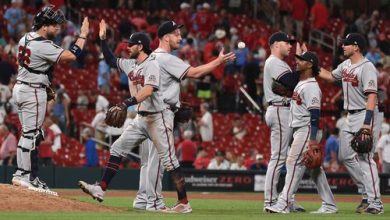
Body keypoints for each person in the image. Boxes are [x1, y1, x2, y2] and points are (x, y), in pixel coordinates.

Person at [78, 22, 174, 211]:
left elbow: (147, 91)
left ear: (140, 46)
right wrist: (103, 39)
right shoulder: (130, 64)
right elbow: (109, 60)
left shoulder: (152, 64)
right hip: (141, 118)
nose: (127, 47)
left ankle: (160, 203)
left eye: (130, 44)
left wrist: (125, 103)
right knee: (117, 147)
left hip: (157, 118)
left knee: (160, 163)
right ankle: (101, 188)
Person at [148, 20, 235, 212]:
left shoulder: (151, 57)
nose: (180, 37)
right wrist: (219, 61)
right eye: (176, 34)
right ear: (165, 37)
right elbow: (195, 73)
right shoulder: (165, 58)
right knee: (167, 160)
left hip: (152, 112)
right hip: (162, 113)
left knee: (152, 159)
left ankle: (149, 201)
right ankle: (177, 202)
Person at [11, 5, 89, 194]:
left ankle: (25, 175)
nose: (58, 29)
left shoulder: (24, 38)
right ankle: (24, 175)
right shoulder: (42, 43)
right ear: (44, 26)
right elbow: (71, 55)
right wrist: (84, 34)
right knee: (32, 134)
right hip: (32, 91)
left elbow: (23, 63)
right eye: (55, 25)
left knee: (27, 133)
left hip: (21, 87)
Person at [318, 33, 384, 214]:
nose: (343, 47)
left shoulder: (367, 67)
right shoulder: (346, 65)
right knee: (345, 155)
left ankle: (375, 202)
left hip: (367, 113)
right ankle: (366, 191)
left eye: (346, 44)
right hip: (350, 115)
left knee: (365, 157)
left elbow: (372, 95)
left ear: (356, 47)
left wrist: (367, 124)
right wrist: (312, 65)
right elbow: (331, 76)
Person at [265, 51, 337, 214]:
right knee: (315, 169)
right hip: (301, 129)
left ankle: (283, 203)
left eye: (301, 60)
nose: (297, 62)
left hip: (307, 129)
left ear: (310, 64)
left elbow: (315, 113)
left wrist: (312, 139)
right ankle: (330, 204)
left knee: (292, 163)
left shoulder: (311, 86)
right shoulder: (302, 83)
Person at [262, 31, 304, 212]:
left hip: (285, 110)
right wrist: (302, 61)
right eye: (287, 43)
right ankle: (270, 201)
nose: (290, 46)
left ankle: (286, 199)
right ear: (276, 44)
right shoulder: (274, 62)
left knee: (290, 158)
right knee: (278, 157)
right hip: (280, 109)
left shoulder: (280, 63)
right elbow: (292, 82)